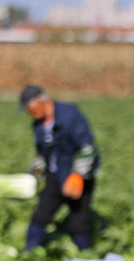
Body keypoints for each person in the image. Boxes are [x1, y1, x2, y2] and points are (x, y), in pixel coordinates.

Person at [19, 85, 100, 251]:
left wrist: (78, 175)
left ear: (39, 102)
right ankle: (28, 254)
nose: (29, 114)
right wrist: (33, 175)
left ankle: (85, 256)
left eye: (29, 109)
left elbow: (87, 148)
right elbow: (42, 154)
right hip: (54, 177)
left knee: (79, 222)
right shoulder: (38, 125)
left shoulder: (69, 114)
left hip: (76, 177)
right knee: (40, 216)